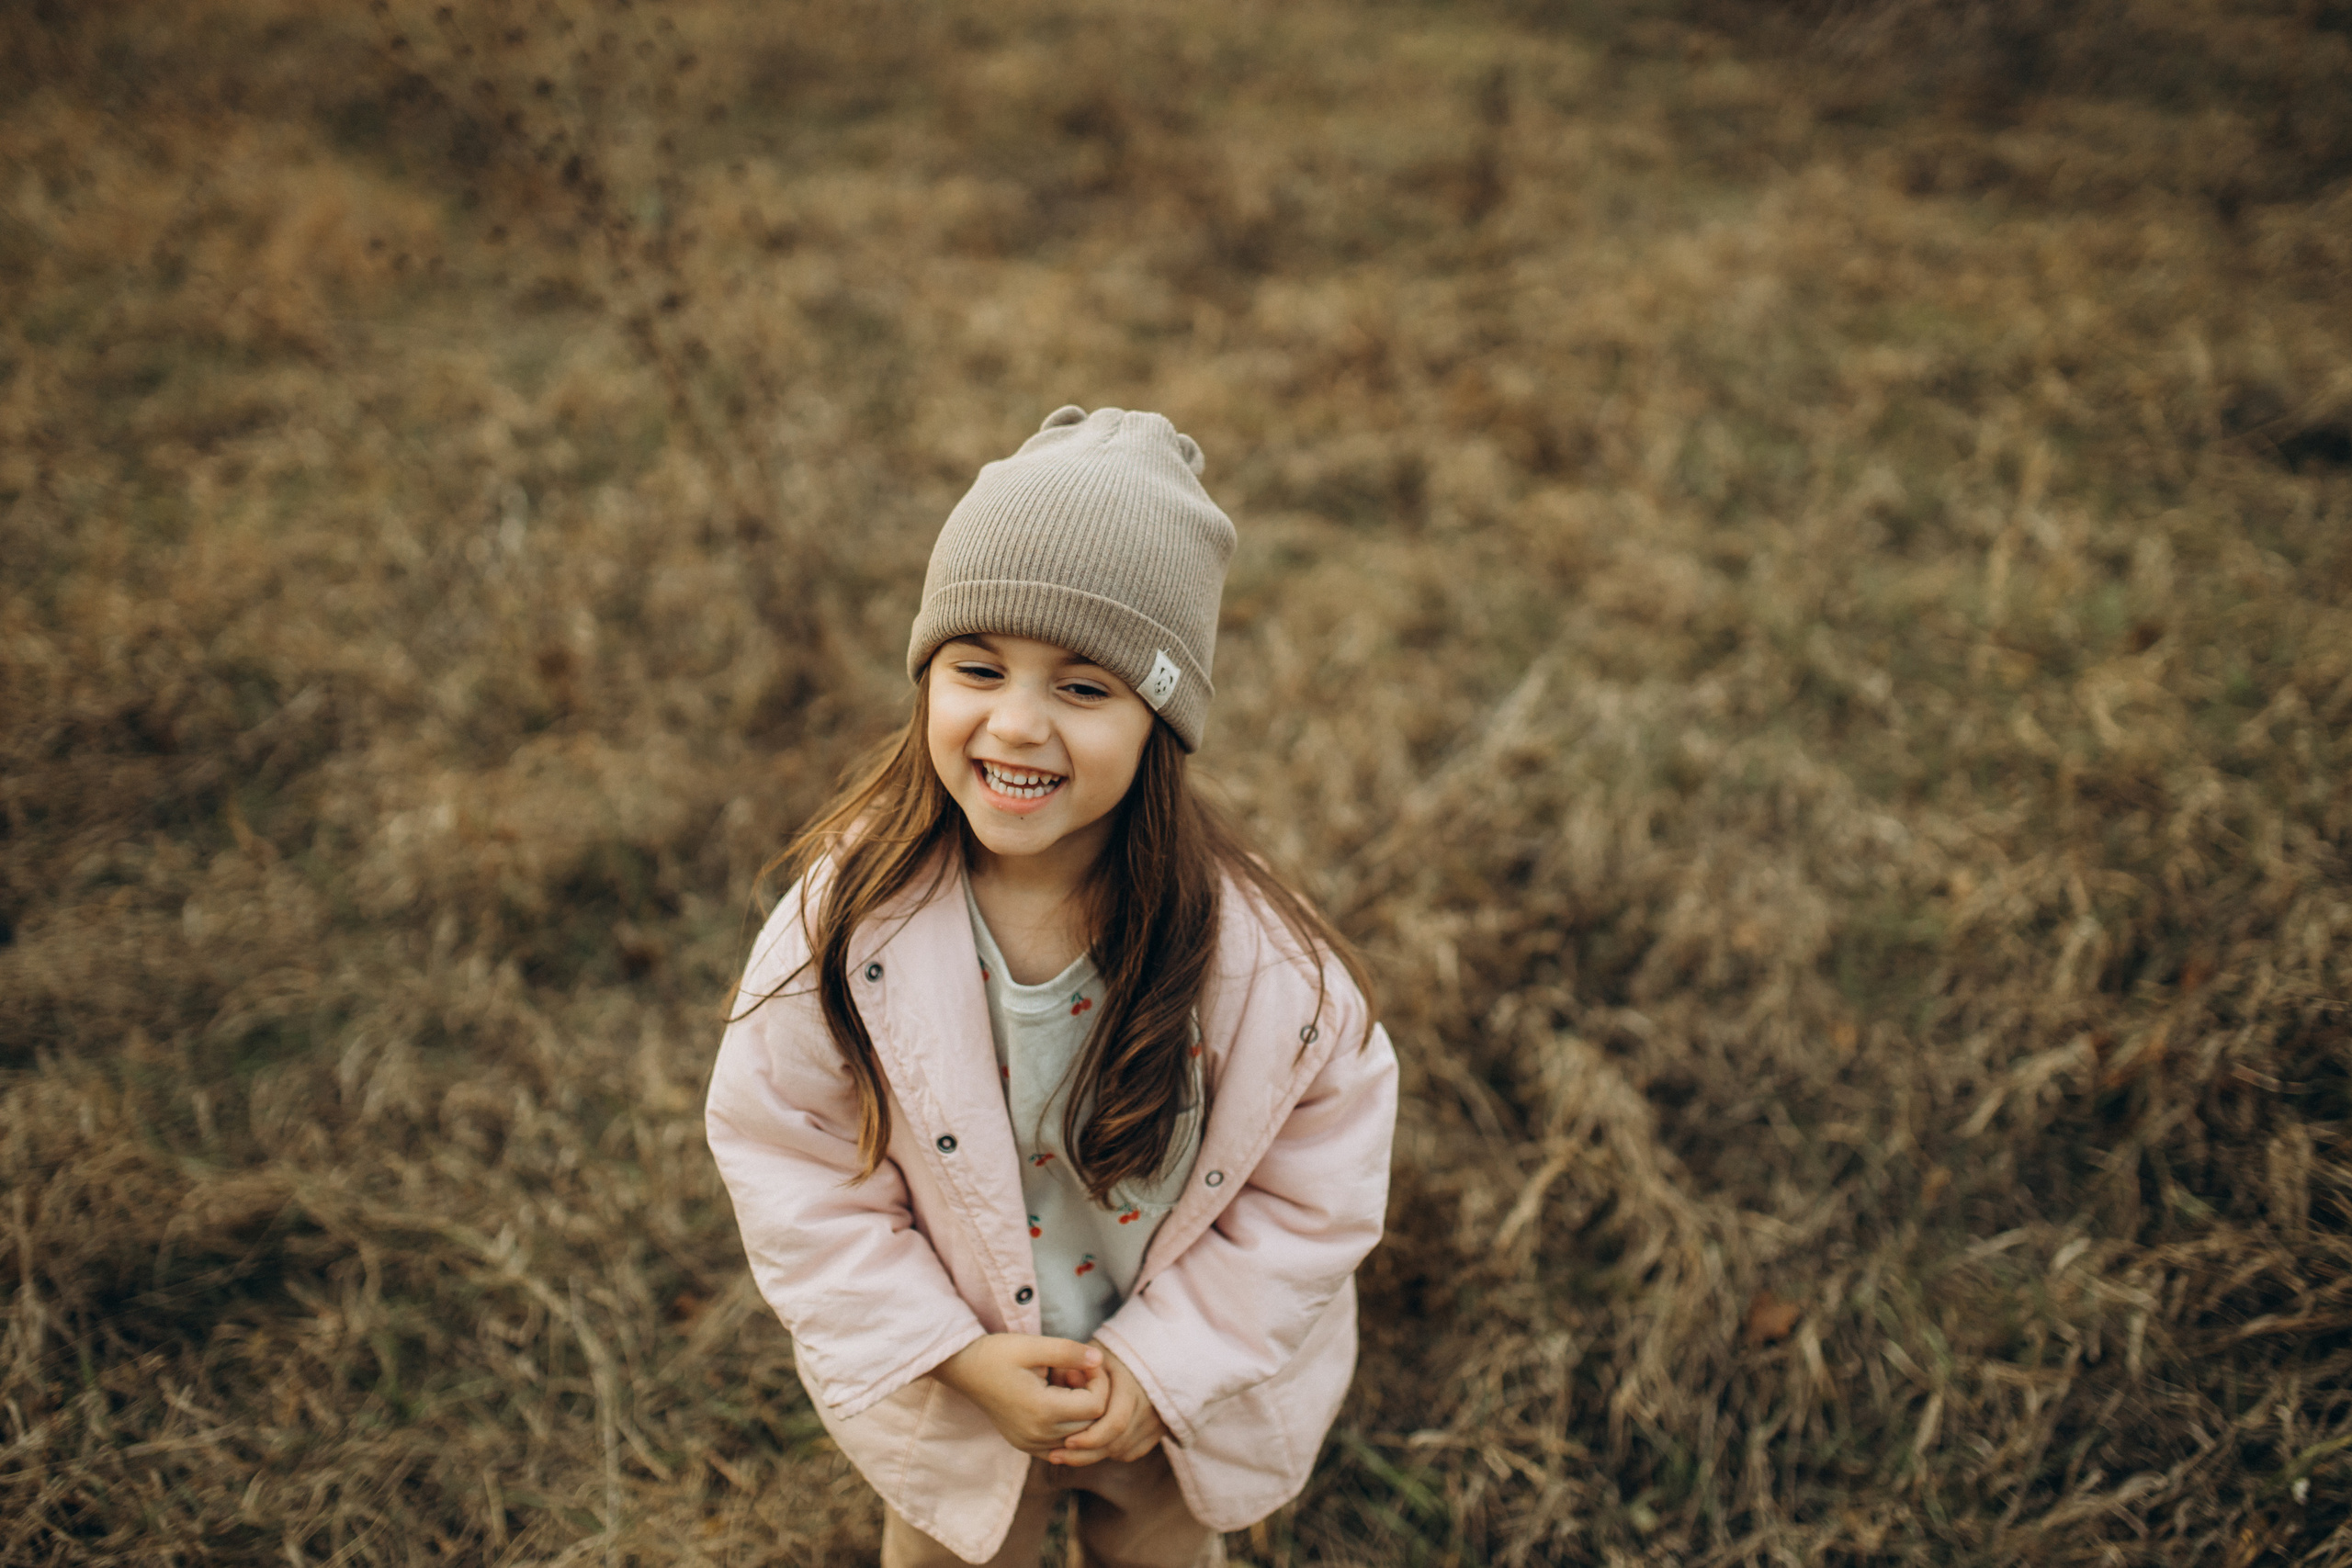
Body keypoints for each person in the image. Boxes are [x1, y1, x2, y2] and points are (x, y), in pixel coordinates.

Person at [706, 406, 1398, 1567]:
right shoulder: (847, 920)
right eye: (978, 669)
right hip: (958, 1385)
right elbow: (788, 1156)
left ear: (1159, 721)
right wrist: (949, 1353)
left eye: (1085, 688)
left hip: (1169, 1393)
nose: (1016, 724)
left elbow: (1313, 1192)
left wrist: (1157, 1367)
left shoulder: (1259, 965)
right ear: (928, 676)